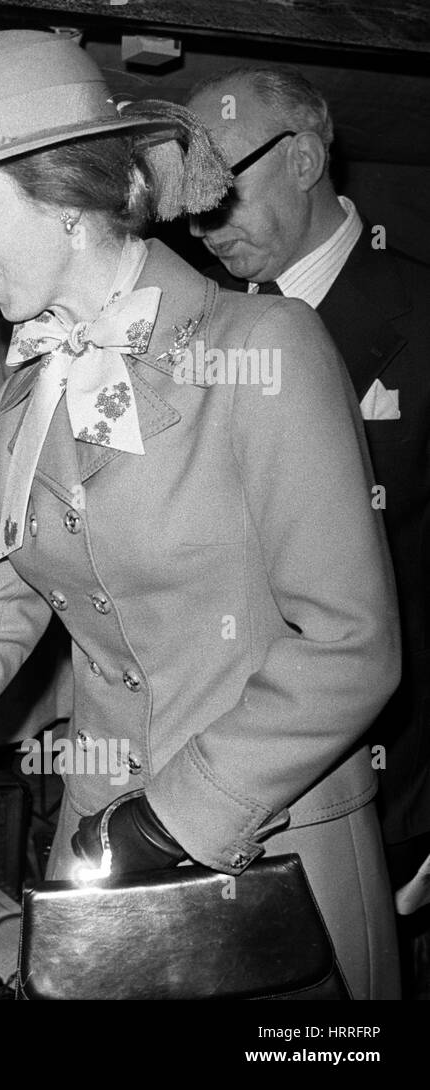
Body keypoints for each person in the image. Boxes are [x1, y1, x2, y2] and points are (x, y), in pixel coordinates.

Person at [0, 30, 401, 998]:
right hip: (102, 862)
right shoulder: (26, 393)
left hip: (270, 855)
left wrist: (169, 818)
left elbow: (349, 644)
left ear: (65, 201)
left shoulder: (266, 347)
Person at [185, 67, 430, 991]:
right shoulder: (204, 330)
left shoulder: (421, 318)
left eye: (222, 184)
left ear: (304, 158)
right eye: (188, 194)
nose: (201, 220)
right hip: (227, 779)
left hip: (394, 788)